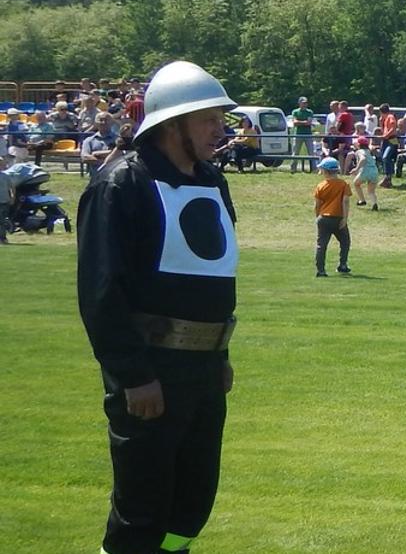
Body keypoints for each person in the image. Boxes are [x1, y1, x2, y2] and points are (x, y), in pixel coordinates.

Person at [77, 60, 241, 554]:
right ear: (172, 124)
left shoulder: (212, 180)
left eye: (220, 119)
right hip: (150, 369)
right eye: (208, 119)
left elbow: (212, 277)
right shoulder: (121, 184)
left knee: (190, 505)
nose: (220, 130)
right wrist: (133, 375)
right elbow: (101, 290)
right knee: (142, 510)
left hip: (203, 370)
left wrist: (219, 354)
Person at [313, 157, 352, 276]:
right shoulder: (343, 184)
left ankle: (320, 270)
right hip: (338, 218)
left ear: (325, 171)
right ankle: (343, 264)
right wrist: (345, 218)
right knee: (345, 242)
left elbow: (317, 204)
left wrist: (317, 216)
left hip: (324, 218)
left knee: (321, 245)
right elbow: (345, 201)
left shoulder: (321, 186)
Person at [350, 137, 380, 211]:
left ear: (359, 144)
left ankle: (362, 200)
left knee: (356, 184)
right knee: (371, 191)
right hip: (374, 171)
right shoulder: (368, 151)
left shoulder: (360, 151)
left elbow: (363, 159)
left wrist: (356, 169)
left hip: (366, 171)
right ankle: (374, 204)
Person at [288, 96, 315, 171]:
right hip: (298, 134)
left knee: (311, 152)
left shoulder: (310, 112)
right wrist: (304, 122)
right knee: (295, 152)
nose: (304, 104)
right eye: (303, 103)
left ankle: (313, 169)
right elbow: (295, 122)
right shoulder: (295, 112)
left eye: (306, 103)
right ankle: (293, 169)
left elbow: (309, 122)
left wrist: (300, 122)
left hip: (308, 134)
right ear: (299, 103)